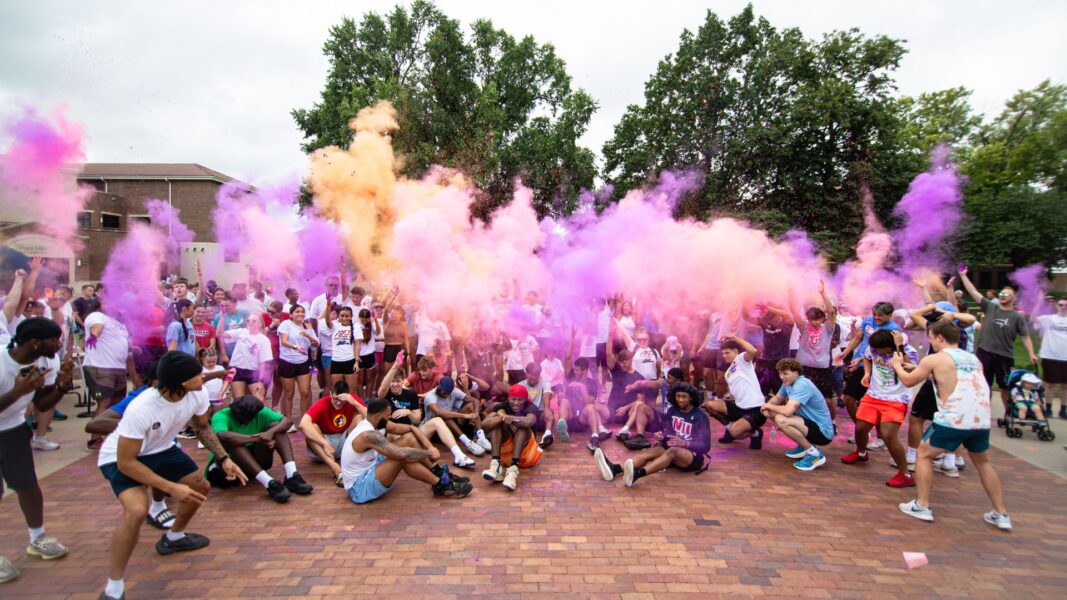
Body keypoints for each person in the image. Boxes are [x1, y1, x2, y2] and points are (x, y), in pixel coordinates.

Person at [96, 351, 248, 600]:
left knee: (200, 487)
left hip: (161, 448)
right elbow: (126, 462)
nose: (203, 376)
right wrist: (170, 487)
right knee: (136, 510)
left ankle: (174, 537)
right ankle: (114, 587)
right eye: (197, 374)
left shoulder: (197, 393)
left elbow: (202, 427)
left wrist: (224, 458)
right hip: (121, 456)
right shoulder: (142, 408)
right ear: (182, 382)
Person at [893, 320, 1011, 530]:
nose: (930, 342)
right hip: (980, 420)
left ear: (940, 337)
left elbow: (908, 381)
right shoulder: (972, 358)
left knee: (923, 454)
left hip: (954, 418)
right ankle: (1000, 513)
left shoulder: (934, 358)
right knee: (983, 462)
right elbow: (951, 377)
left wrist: (896, 365)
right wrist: (918, 368)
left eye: (931, 338)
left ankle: (922, 505)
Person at [0, 318, 74, 584]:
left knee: (27, 485)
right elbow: (21, 393)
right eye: (54, 340)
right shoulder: (2, 363)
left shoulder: (45, 362)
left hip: (13, 429)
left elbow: (42, 404)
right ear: (34, 342)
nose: (58, 344)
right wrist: (18, 391)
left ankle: (37, 538)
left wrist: (62, 387)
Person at [341, 397, 473, 503]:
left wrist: (430, 447)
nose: (389, 418)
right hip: (359, 488)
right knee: (402, 457)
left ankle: (437, 472)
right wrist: (428, 453)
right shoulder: (368, 435)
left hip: (371, 466)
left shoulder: (376, 422)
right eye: (387, 415)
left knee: (409, 438)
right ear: (377, 416)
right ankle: (441, 485)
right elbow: (400, 454)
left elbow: (411, 429)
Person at [839, 329, 918, 487]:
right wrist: (867, 373)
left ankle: (905, 475)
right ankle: (861, 453)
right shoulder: (874, 347)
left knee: (888, 435)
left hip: (895, 399)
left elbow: (912, 369)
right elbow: (868, 358)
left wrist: (899, 348)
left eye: (879, 350)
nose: (875, 352)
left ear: (889, 347)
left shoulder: (908, 351)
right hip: (873, 395)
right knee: (860, 428)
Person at [593, 382, 711, 487]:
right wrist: (662, 435)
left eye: (684, 397)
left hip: (692, 456)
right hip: (673, 451)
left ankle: (637, 474)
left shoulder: (700, 416)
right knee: (648, 452)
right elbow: (670, 433)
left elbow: (705, 445)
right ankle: (615, 469)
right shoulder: (673, 411)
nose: (680, 400)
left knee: (672, 451)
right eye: (678, 396)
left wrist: (685, 443)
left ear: (691, 398)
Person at [958, 266, 1038, 414]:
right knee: (983, 384)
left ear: (1014, 298)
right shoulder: (990, 307)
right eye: (1001, 293)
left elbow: (1025, 336)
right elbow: (974, 292)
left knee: (1005, 387)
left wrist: (1031, 353)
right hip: (984, 352)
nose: (1002, 295)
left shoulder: (1017, 317)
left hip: (1004, 356)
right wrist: (963, 276)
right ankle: (983, 412)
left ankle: (1008, 414)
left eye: (1007, 294)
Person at [205, 394, 313, 503]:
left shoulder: (260, 412)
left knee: (277, 428)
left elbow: (287, 421)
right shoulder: (221, 415)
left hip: (253, 465)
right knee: (235, 443)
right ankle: (269, 483)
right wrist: (258, 438)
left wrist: (270, 432)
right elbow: (222, 435)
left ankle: (291, 475)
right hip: (223, 470)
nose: (241, 418)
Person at [835, 301, 901, 442]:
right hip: (860, 364)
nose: (876, 318)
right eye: (874, 314)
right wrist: (845, 353)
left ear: (890, 315)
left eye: (880, 315)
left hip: (880, 368)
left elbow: (895, 352)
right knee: (849, 398)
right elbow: (858, 337)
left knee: (876, 403)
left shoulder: (894, 330)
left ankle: (880, 438)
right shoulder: (868, 321)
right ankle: (861, 430)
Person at [761, 358, 835, 471]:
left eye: (785, 373)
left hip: (823, 433)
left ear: (795, 373)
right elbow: (777, 398)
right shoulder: (788, 383)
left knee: (781, 419)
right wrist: (767, 407)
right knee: (774, 413)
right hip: (808, 424)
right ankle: (804, 446)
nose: (781, 377)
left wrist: (768, 406)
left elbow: (787, 411)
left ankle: (814, 454)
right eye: (780, 373)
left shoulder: (802, 385)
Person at [703, 335, 766, 450]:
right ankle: (729, 428)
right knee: (709, 405)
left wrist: (734, 337)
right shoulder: (728, 371)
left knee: (735, 432)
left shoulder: (741, 360)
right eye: (723, 353)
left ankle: (756, 433)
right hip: (739, 407)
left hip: (756, 409)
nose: (724, 356)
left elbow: (753, 350)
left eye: (727, 353)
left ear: (736, 351)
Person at [84, 299, 132, 451]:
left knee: (118, 403)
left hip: (119, 368)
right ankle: (95, 439)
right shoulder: (97, 316)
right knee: (104, 402)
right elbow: (96, 327)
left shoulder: (119, 324)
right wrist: (94, 335)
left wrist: (133, 348)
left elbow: (122, 342)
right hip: (100, 367)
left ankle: (111, 436)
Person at [300, 381, 366, 487]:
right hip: (324, 445)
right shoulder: (322, 403)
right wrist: (324, 443)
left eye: (341, 400)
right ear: (330, 393)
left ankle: (359, 460)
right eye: (335, 399)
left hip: (344, 439)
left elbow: (372, 418)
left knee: (360, 418)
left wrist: (354, 403)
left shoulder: (352, 399)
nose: (338, 403)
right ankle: (336, 469)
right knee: (312, 428)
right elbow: (303, 423)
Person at [480, 384, 542, 490]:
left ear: (525, 399)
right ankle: (496, 465)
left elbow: (529, 421)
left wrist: (509, 418)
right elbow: (484, 424)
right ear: (508, 398)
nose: (516, 403)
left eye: (520, 399)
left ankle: (513, 470)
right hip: (506, 458)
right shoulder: (502, 406)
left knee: (522, 428)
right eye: (513, 399)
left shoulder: (531, 407)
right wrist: (502, 418)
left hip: (528, 457)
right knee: (496, 425)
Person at [423, 376, 491, 457]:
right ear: (439, 387)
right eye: (444, 392)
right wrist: (464, 415)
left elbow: (474, 400)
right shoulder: (431, 396)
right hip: (434, 432)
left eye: (448, 393)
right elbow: (439, 412)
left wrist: (475, 413)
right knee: (444, 417)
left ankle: (481, 437)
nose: (446, 395)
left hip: (449, 428)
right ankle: (467, 442)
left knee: (470, 405)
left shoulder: (454, 391)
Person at [216, 313, 272, 401]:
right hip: (237, 369)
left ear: (260, 324)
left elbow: (263, 362)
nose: (250, 322)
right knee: (239, 401)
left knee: (259, 400)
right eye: (248, 320)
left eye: (253, 321)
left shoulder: (264, 340)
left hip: (253, 371)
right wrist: (222, 317)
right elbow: (220, 334)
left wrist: (261, 381)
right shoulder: (241, 332)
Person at [277, 305, 319, 422]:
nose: (300, 314)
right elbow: (284, 341)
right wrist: (295, 346)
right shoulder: (285, 324)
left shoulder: (307, 326)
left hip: (303, 362)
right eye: (297, 312)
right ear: (291, 314)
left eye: (302, 312)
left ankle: (304, 419)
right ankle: (288, 421)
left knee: (305, 392)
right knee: (288, 393)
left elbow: (316, 345)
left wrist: (308, 336)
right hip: (287, 361)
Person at [1032, 298, 1067, 418]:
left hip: (1065, 357)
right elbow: (1033, 318)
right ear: (1057, 306)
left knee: (1065, 386)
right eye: (1061, 304)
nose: (1063, 307)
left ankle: (1063, 410)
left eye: (1066, 305)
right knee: (1049, 384)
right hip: (1050, 355)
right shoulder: (1048, 318)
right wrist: (1039, 302)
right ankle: (1048, 408)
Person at [324, 305, 359, 393]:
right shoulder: (335, 325)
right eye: (342, 315)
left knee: (351, 391)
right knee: (337, 391)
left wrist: (356, 362)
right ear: (338, 316)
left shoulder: (356, 327)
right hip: (336, 361)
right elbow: (327, 320)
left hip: (350, 361)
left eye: (347, 316)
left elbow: (357, 345)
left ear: (351, 316)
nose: (344, 318)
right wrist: (328, 305)